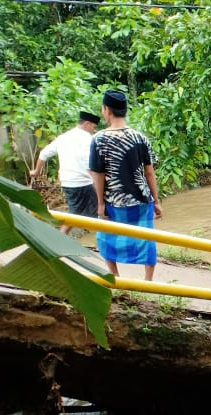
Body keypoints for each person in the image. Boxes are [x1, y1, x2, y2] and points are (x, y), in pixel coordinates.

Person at [89, 90, 162, 281]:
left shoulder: (99, 139)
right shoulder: (141, 137)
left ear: (106, 110)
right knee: (146, 240)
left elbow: (99, 175)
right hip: (141, 201)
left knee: (106, 240)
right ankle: (148, 282)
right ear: (125, 110)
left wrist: (100, 204)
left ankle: (115, 277)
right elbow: (149, 172)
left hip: (114, 202)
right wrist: (157, 201)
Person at [31, 111, 100, 234]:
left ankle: (95, 238)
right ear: (87, 124)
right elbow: (88, 163)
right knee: (89, 214)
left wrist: (36, 171)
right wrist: (97, 182)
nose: (94, 130)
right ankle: (60, 239)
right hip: (82, 183)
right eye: (93, 127)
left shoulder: (64, 137)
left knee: (84, 213)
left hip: (67, 182)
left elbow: (44, 154)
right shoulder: (88, 139)